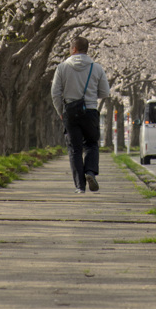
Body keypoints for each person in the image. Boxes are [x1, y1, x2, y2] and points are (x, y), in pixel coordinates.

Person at [51, 34, 110, 195]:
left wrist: (60, 111)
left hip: (70, 111)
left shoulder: (62, 67)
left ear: (74, 49)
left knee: (75, 149)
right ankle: (90, 172)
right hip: (90, 111)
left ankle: (80, 186)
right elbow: (105, 92)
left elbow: (55, 93)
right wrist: (90, 96)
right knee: (91, 143)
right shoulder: (96, 68)